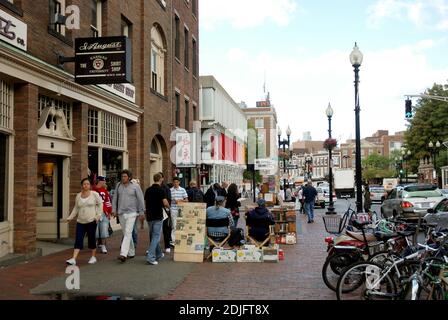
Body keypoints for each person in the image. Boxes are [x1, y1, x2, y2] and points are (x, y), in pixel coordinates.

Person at [66, 178, 103, 265]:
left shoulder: (94, 194)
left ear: (90, 185)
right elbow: (76, 208)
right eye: (84, 184)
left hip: (91, 221)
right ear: (82, 185)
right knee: (78, 239)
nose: (86, 185)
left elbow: (100, 204)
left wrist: (97, 216)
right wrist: (70, 217)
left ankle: (93, 257)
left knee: (91, 239)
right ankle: (73, 258)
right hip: (80, 221)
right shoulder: (78, 195)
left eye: (87, 184)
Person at [112, 170, 145, 263]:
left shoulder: (135, 186)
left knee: (127, 232)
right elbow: (114, 198)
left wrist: (142, 212)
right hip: (121, 213)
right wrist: (114, 210)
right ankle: (131, 252)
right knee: (127, 233)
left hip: (132, 213)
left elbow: (141, 199)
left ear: (129, 177)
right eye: (122, 176)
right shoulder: (118, 185)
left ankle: (123, 254)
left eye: (125, 176)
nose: (123, 178)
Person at [144, 173, 170, 265]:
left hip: (149, 215)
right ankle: (151, 257)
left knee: (153, 235)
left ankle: (159, 254)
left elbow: (145, 202)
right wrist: (169, 208)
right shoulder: (161, 190)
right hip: (158, 215)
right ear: (160, 179)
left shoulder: (148, 190)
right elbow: (165, 203)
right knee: (156, 236)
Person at [92, 176, 113, 254]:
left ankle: (103, 246)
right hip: (95, 213)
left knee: (104, 230)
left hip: (104, 213)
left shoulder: (105, 191)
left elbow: (108, 202)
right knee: (96, 231)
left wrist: (109, 212)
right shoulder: (93, 190)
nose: (105, 183)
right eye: (104, 181)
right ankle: (97, 244)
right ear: (100, 181)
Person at [170, 177, 189, 248]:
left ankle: (181, 239)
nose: (175, 183)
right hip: (173, 209)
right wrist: (173, 201)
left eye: (177, 182)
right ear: (173, 183)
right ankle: (174, 241)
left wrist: (180, 200)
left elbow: (187, 200)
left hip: (181, 209)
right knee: (174, 225)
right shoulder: (170, 190)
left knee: (181, 225)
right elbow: (168, 200)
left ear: (179, 182)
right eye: (174, 182)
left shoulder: (182, 190)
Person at [159, 172, 173, 253]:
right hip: (156, 210)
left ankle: (167, 246)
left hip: (164, 211)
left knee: (166, 229)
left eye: (160, 177)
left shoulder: (166, 188)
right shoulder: (152, 188)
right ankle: (155, 247)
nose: (159, 179)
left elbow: (168, 199)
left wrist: (168, 209)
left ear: (163, 178)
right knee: (155, 231)